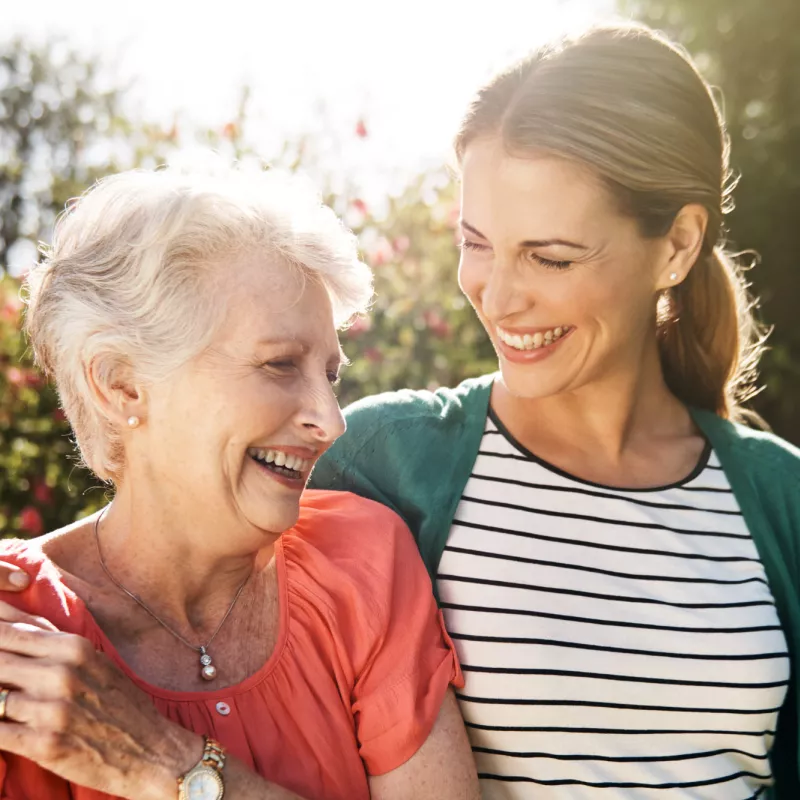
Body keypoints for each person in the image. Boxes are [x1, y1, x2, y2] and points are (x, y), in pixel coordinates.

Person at [3, 21, 800, 800]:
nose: (500, 295)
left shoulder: (780, 502)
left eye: (551, 257)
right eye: (476, 241)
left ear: (678, 245)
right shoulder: (387, 465)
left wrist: (176, 769)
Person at [0, 165, 479, 799]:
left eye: (330, 375)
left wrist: (170, 764)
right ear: (120, 384)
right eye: (280, 364)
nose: (331, 421)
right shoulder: (18, 634)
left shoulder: (359, 562)